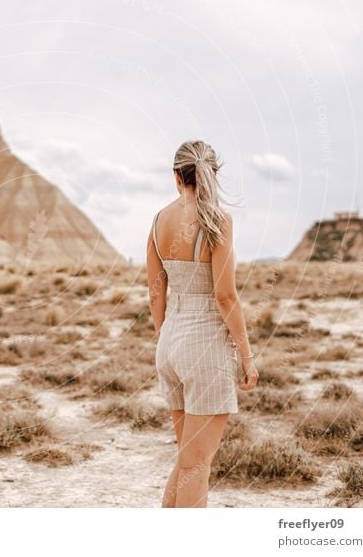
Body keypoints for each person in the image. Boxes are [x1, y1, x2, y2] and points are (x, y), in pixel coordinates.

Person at [146, 139, 259, 508]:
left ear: (176, 176)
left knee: (186, 461)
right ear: (213, 173)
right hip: (206, 347)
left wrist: (167, 337)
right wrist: (247, 356)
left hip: (170, 344)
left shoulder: (159, 219)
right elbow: (225, 296)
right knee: (197, 466)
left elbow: (155, 293)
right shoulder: (217, 220)